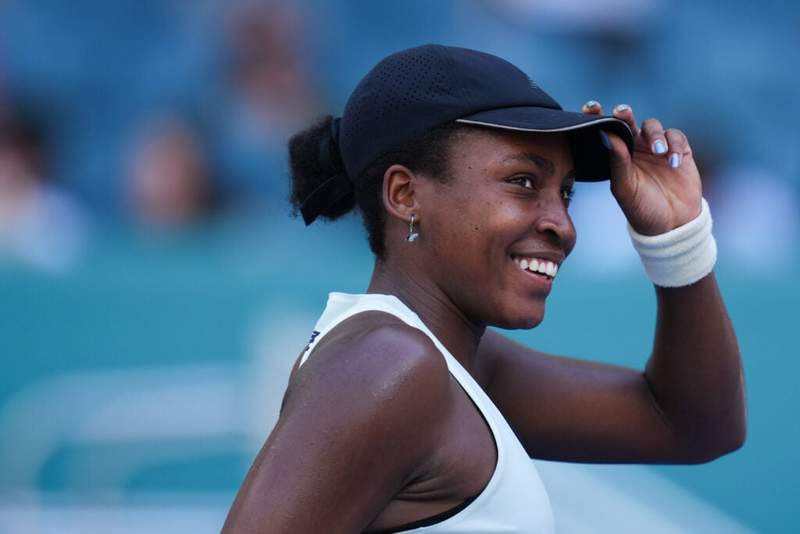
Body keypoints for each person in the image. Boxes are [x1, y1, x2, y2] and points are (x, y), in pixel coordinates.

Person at [222, 45, 746, 533]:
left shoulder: (454, 364)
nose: (562, 225)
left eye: (564, 192)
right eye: (523, 182)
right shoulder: (391, 365)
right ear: (405, 195)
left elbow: (693, 427)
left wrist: (677, 240)